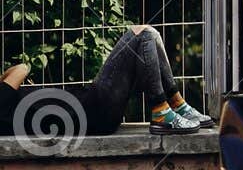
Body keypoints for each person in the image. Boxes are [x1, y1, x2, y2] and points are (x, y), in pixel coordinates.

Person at [0, 26, 212, 137]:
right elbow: (22, 68)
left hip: (97, 111)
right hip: (97, 105)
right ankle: (162, 112)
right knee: (143, 34)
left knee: (149, 35)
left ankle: (178, 106)